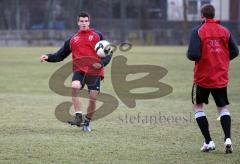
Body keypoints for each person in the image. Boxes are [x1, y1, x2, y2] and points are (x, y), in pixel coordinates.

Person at [40, 12, 112, 132]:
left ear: (89, 22)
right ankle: (78, 116)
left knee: (93, 98)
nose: (84, 23)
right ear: (78, 22)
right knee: (74, 87)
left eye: (86, 21)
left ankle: (87, 122)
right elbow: (60, 55)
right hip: (79, 70)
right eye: (81, 21)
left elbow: (109, 52)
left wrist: (102, 63)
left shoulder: (97, 36)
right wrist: (48, 57)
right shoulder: (73, 39)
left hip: (94, 72)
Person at [187, 4, 239, 153]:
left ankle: (209, 142)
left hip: (202, 77)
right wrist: (220, 59)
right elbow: (235, 51)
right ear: (213, 14)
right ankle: (228, 139)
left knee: (198, 107)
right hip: (220, 76)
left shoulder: (197, 31)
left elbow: (193, 55)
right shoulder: (224, 31)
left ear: (201, 15)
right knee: (223, 108)